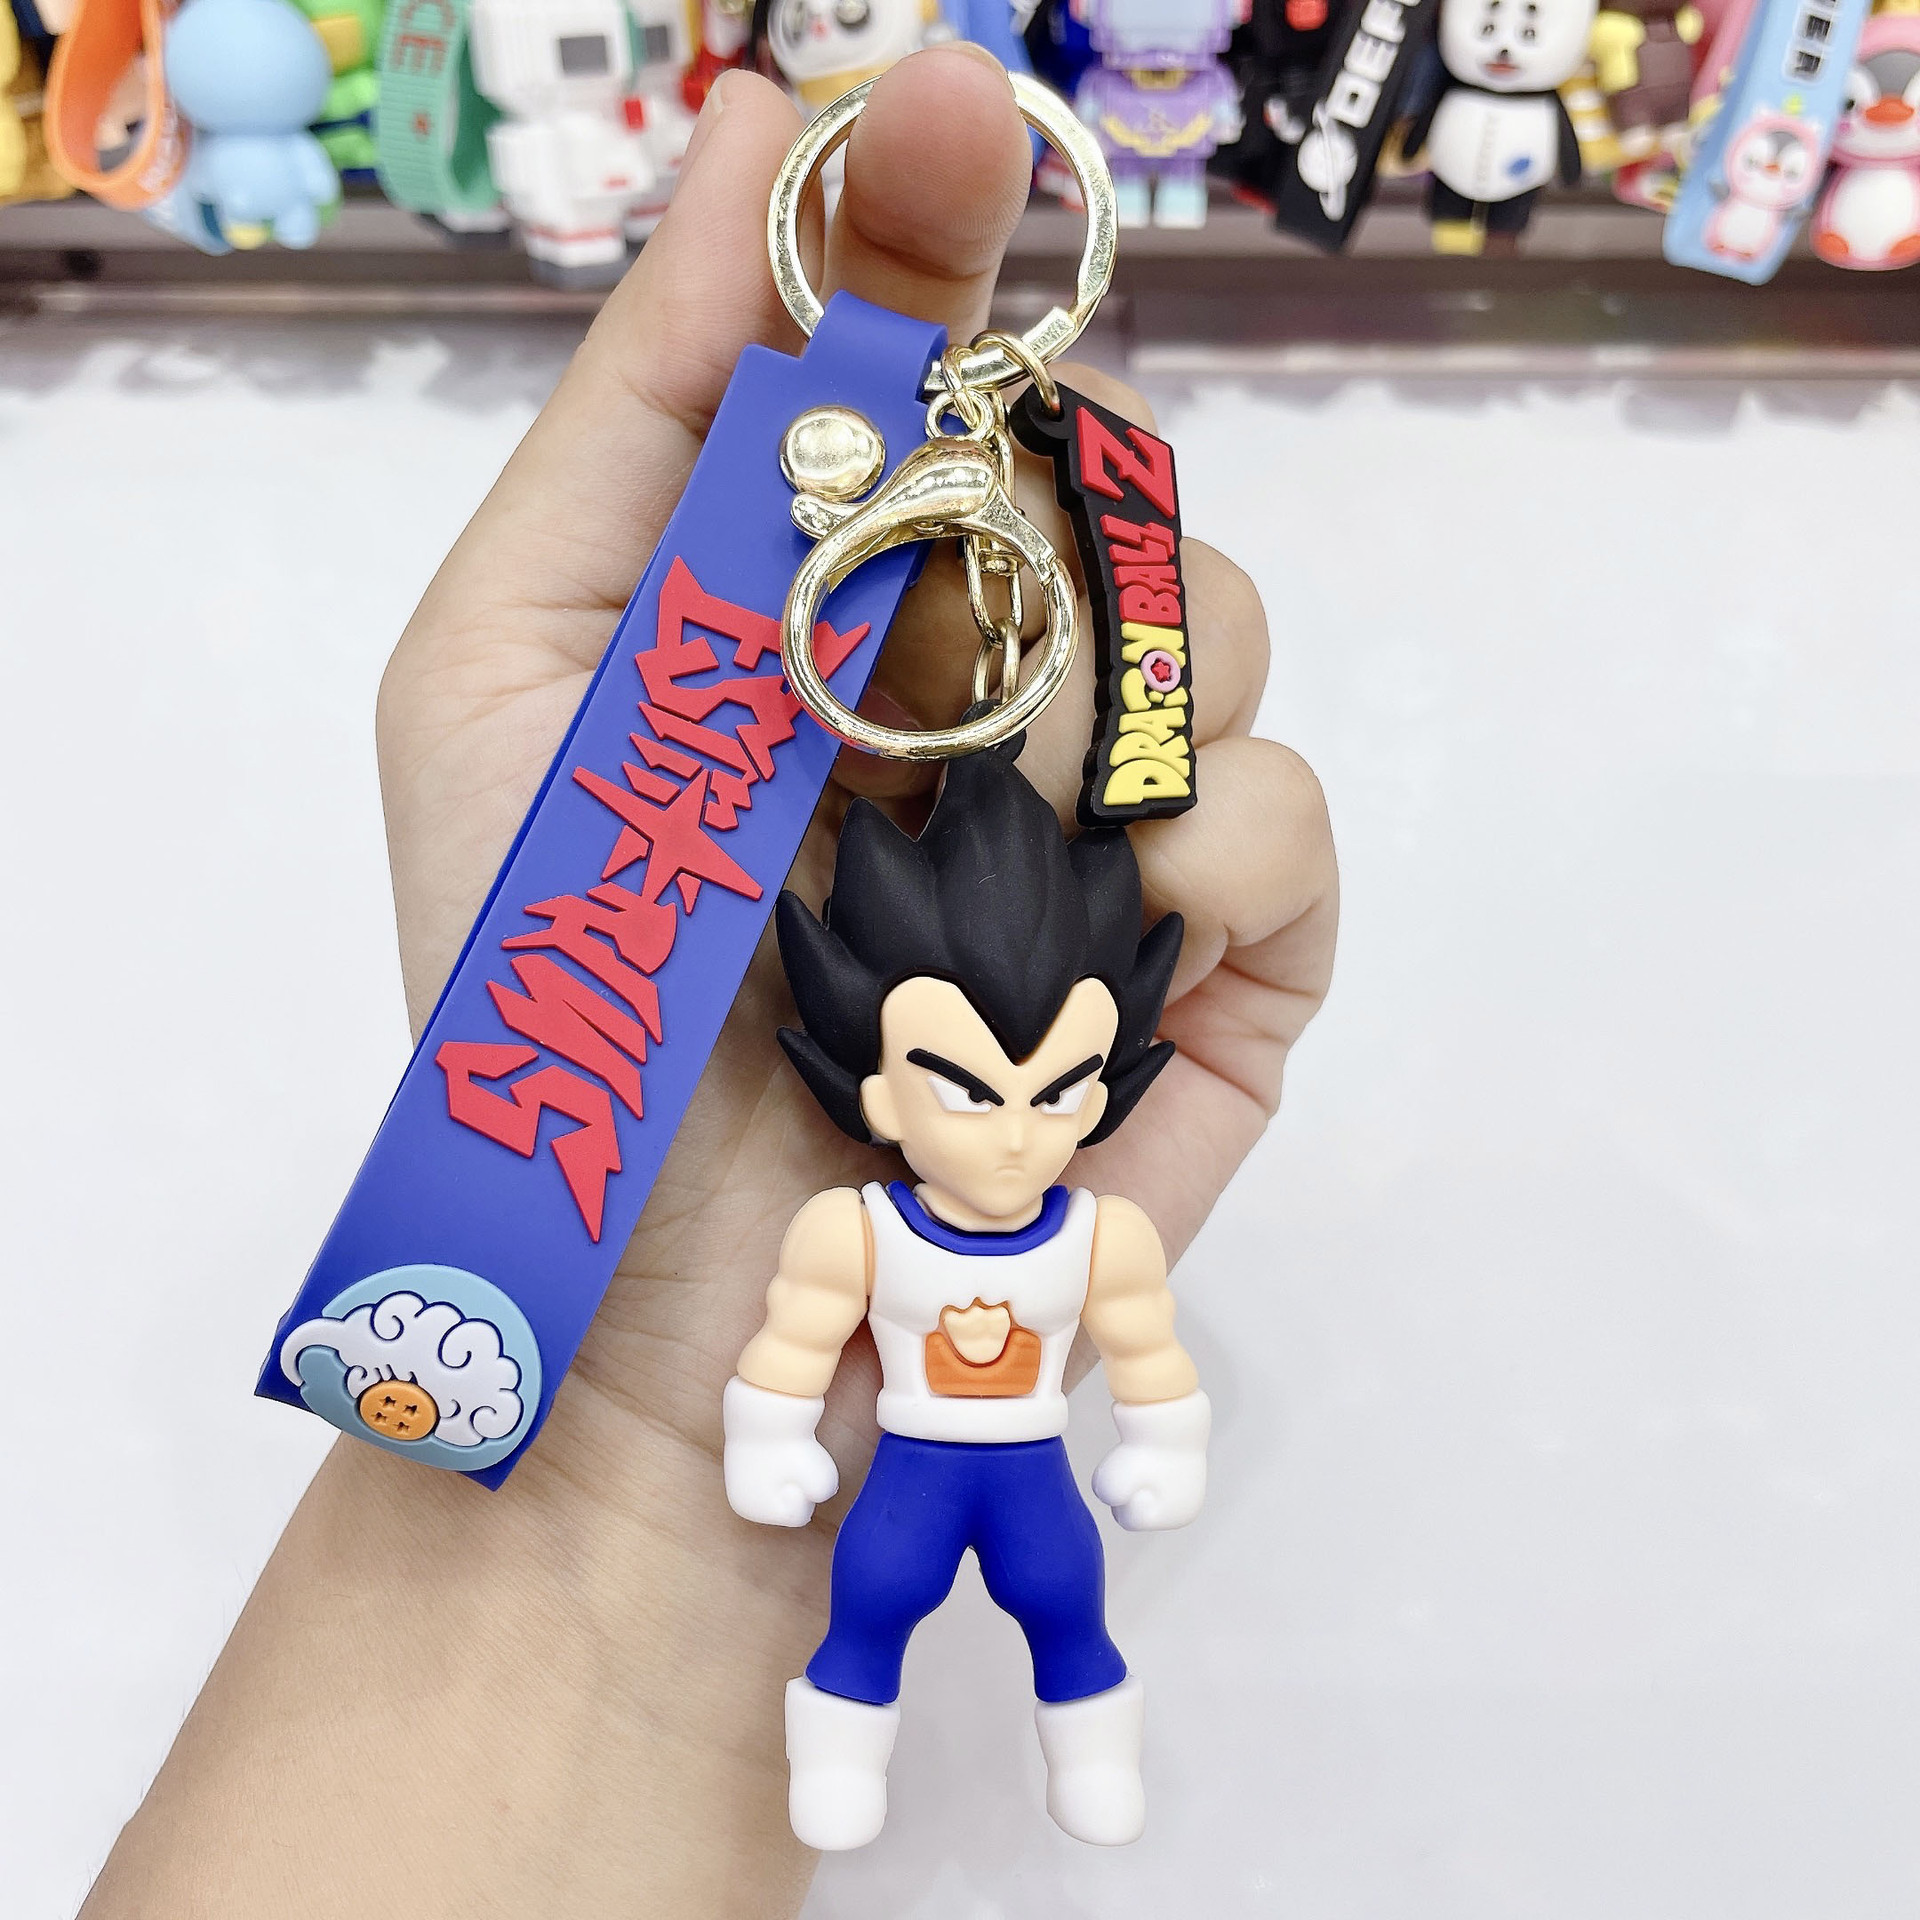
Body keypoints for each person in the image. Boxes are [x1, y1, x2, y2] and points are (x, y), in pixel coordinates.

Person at [79, 43, 1337, 1918]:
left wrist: (1152, 1423)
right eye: (967, 1085)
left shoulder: (1074, 1233)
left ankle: (1082, 1729)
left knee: (1065, 1609)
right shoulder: (865, 1226)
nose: (1014, 1129)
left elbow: (1136, 1340)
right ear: (863, 1081)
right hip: (887, 1479)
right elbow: (785, 1343)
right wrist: (712, 1437)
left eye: (1056, 1092)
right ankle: (849, 1728)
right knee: (878, 1606)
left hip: (999, 1471)